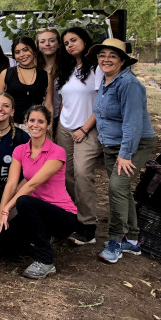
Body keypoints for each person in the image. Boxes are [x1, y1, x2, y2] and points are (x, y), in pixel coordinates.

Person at [0, 105, 76, 280]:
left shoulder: (57, 152)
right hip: (34, 212)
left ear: (48, 125)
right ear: (26, 123)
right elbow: (11, 184)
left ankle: (46, 260)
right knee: (2, 244)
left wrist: (7, 210)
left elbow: (32, 185)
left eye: (41, 121)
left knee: (25, 201)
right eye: (32, 120)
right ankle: (38, 239)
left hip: (62, 216)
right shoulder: (20, 150)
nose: (36, 125)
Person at [87, 38, 157, 264]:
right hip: (111, 144)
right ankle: (133, 240)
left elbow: (133, 123)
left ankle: (116, 240)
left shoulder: (129, 84)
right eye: (102, 55)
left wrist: (125, 154)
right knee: (123, 190)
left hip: (133, 144)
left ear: (123, 61)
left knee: (117, 188)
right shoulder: (108, 83)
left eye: (112, 55)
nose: (106, 59)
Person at [56, 27, 103, 246]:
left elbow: (102, 103)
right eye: (66, 43)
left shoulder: (98, 68)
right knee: (66, 176)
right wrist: (59, 125)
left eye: (73, 40)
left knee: (83, 174)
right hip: (64, 128)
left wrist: (84, 128)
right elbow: (65, 100)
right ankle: (72, 217)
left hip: (87, 129)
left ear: (85, 40)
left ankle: (88, 226)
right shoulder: (65, 68)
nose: (70, 45)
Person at [0, 36, 54, 128]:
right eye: (17, 52)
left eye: (25, 50)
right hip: (10, 126)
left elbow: (48, 105)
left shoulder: (45, 76)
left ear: (34, 51)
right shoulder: (6, 74)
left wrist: (49, 128)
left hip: (35, 127)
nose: (22, 55)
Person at [35, 27, 62, 119]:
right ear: (38, 46)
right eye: (42, 42)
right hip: (36, 117)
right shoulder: (33, 67)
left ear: (58, 44)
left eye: (51, 40)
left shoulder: (66, 68)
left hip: (59, 116)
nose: (47, 44)